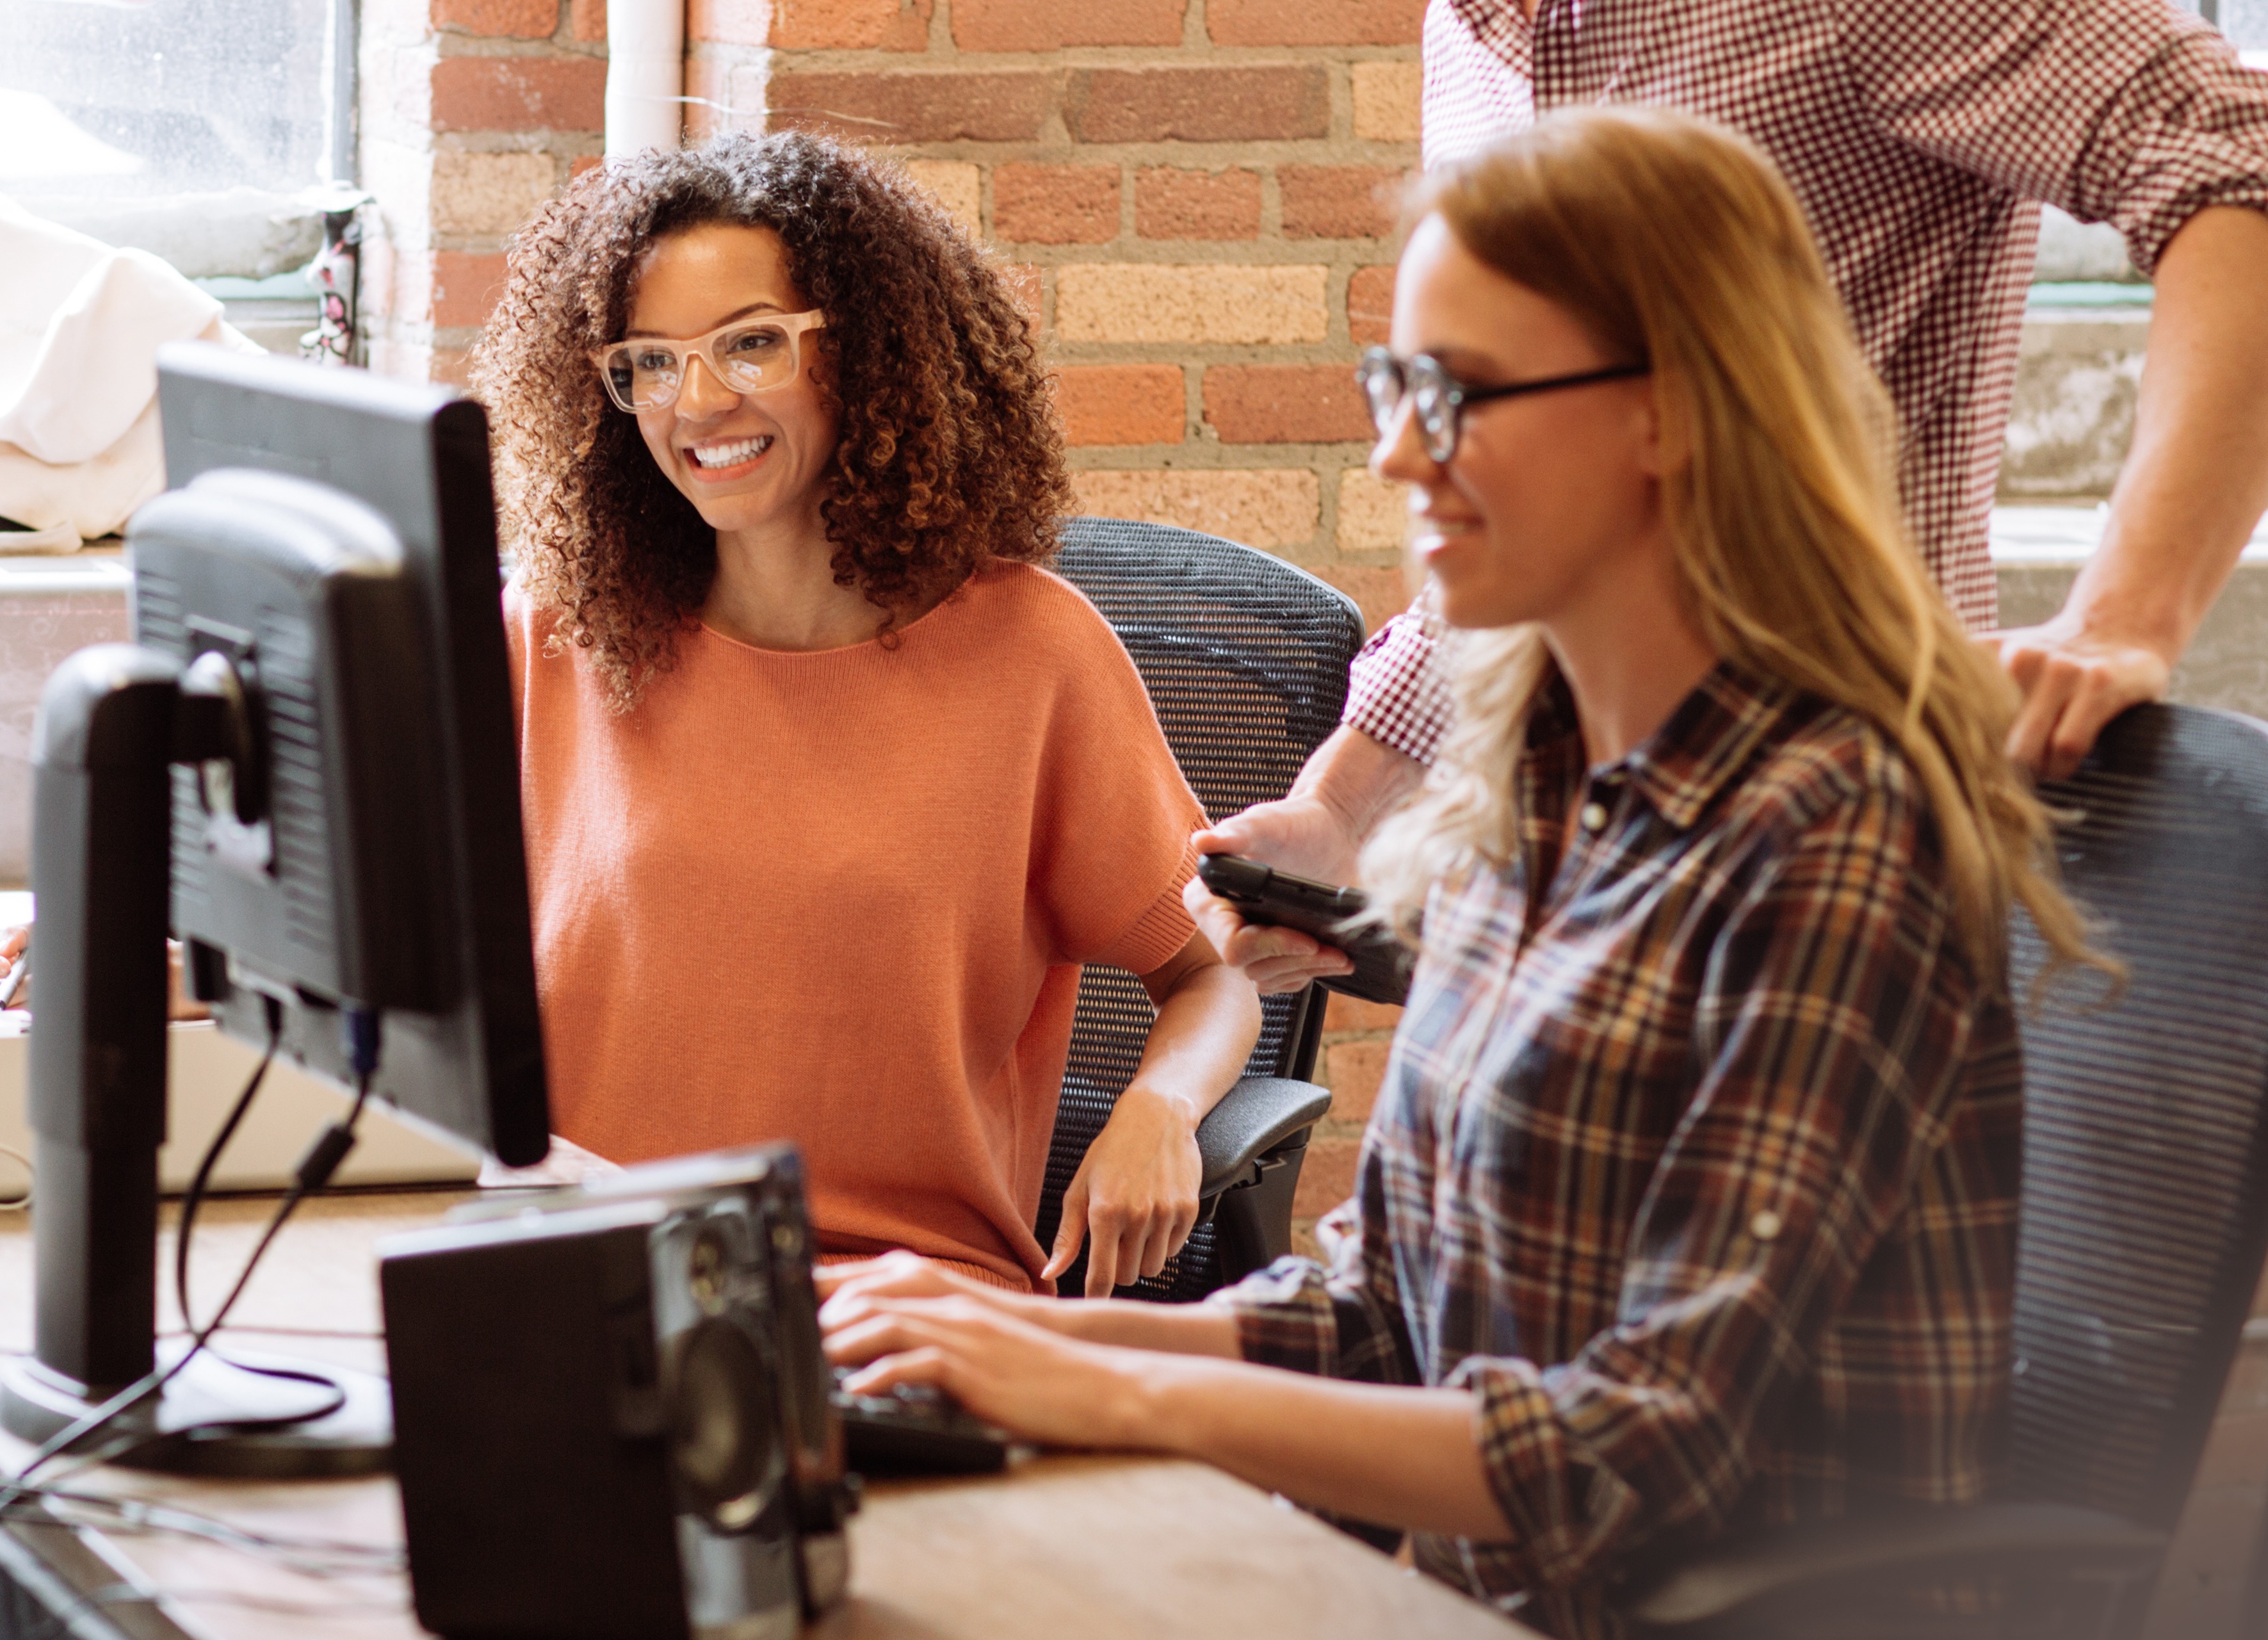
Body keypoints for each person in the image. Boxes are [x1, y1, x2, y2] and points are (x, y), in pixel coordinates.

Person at [820, 108, 2088, 1637]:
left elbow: (1635, 1448)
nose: (1391, 450)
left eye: (1457, 392)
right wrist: (1005, 1337)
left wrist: (1097, 1387)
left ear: (1670, 412)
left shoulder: (1834, 837)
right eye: (1393, 383)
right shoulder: (1532, 788)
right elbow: (1380, 1311)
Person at [1203, 0, 2268, 996]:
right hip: (1564, 860)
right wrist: (1343, 809)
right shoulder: (1468, 24)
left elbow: (2239, 150)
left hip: (1823, 845)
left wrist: (2128, 615)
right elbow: (1535, 480)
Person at [466, 132, 1263, 1295]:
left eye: (751, 344)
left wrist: (1160, 1107)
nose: (695, 403)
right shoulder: (555, 629)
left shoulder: (1033, 656)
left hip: (893, 1295)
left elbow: (1213, 974)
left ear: (872, 353)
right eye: (648, 361)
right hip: (574, 1266)